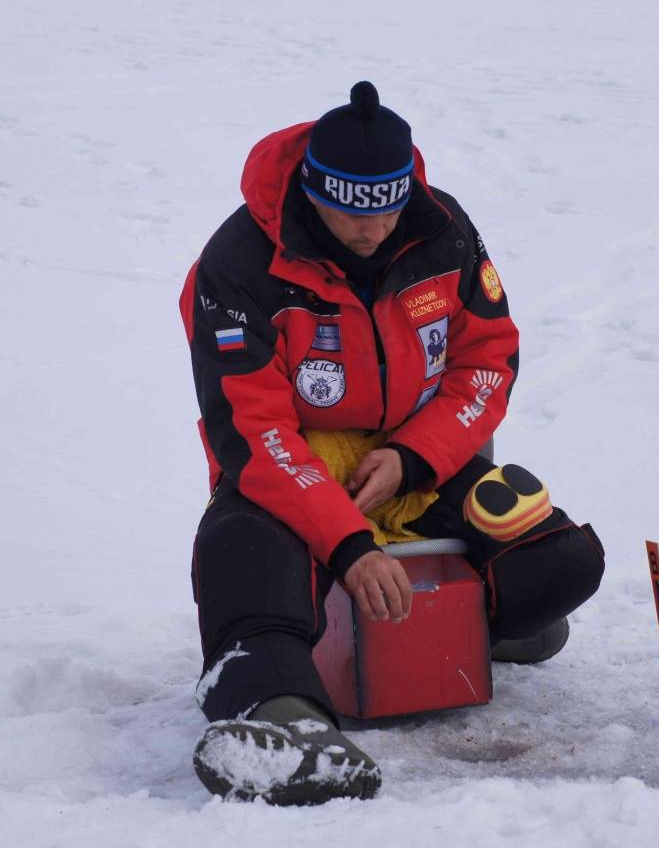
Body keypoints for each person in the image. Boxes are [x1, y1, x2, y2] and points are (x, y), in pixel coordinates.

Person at [179, 81, 606, 805]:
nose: (371, 230)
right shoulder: (238, 265)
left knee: (565, 558)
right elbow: (254, 431)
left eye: (385, 208)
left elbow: (487, 363)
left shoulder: (442, 230)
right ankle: (288, 722)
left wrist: (412, 457)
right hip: (293, 482)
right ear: (314, 189)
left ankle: (486, 627)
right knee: (238, 552)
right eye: (348, 210)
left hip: (420, 468)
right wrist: (348, 543)